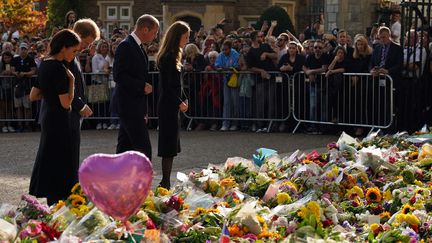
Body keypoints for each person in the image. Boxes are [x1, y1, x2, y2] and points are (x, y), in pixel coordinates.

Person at [28, 29, 80, 205]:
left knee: (49, 157)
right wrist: (72, 81)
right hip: (59, 119)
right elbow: (66, 103)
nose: (74, 55)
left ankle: (52, 199)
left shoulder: (44, 63)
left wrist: (50, 94)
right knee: (61, 159)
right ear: (64, 48)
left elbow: (33, 95)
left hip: (48, 117)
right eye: (73, 51)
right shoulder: (59, 68)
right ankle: (59, 200)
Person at [112, 14, 159, 161]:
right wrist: (141, 86)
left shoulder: (137, 46)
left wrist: (144, 110)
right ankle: (144, 182)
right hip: (129, 105)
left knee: (124, 147)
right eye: (154, 32)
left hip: (135, 105)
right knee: (143, 149)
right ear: (145, 29)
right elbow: (118, 75)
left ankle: (117, 179)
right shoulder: (126, 46)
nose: (155, 36)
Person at [156, 21, 190, 189]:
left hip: (173, 104)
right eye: (185, 37)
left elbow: (178, 84)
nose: (187, 40)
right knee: (168, 145)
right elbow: (168, 86)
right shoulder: (168, 57)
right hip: (168, 105)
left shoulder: (175, 55)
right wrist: (179, 102)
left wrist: (184, 98)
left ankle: (166, 180)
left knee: (172, 144)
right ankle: (165, 181)